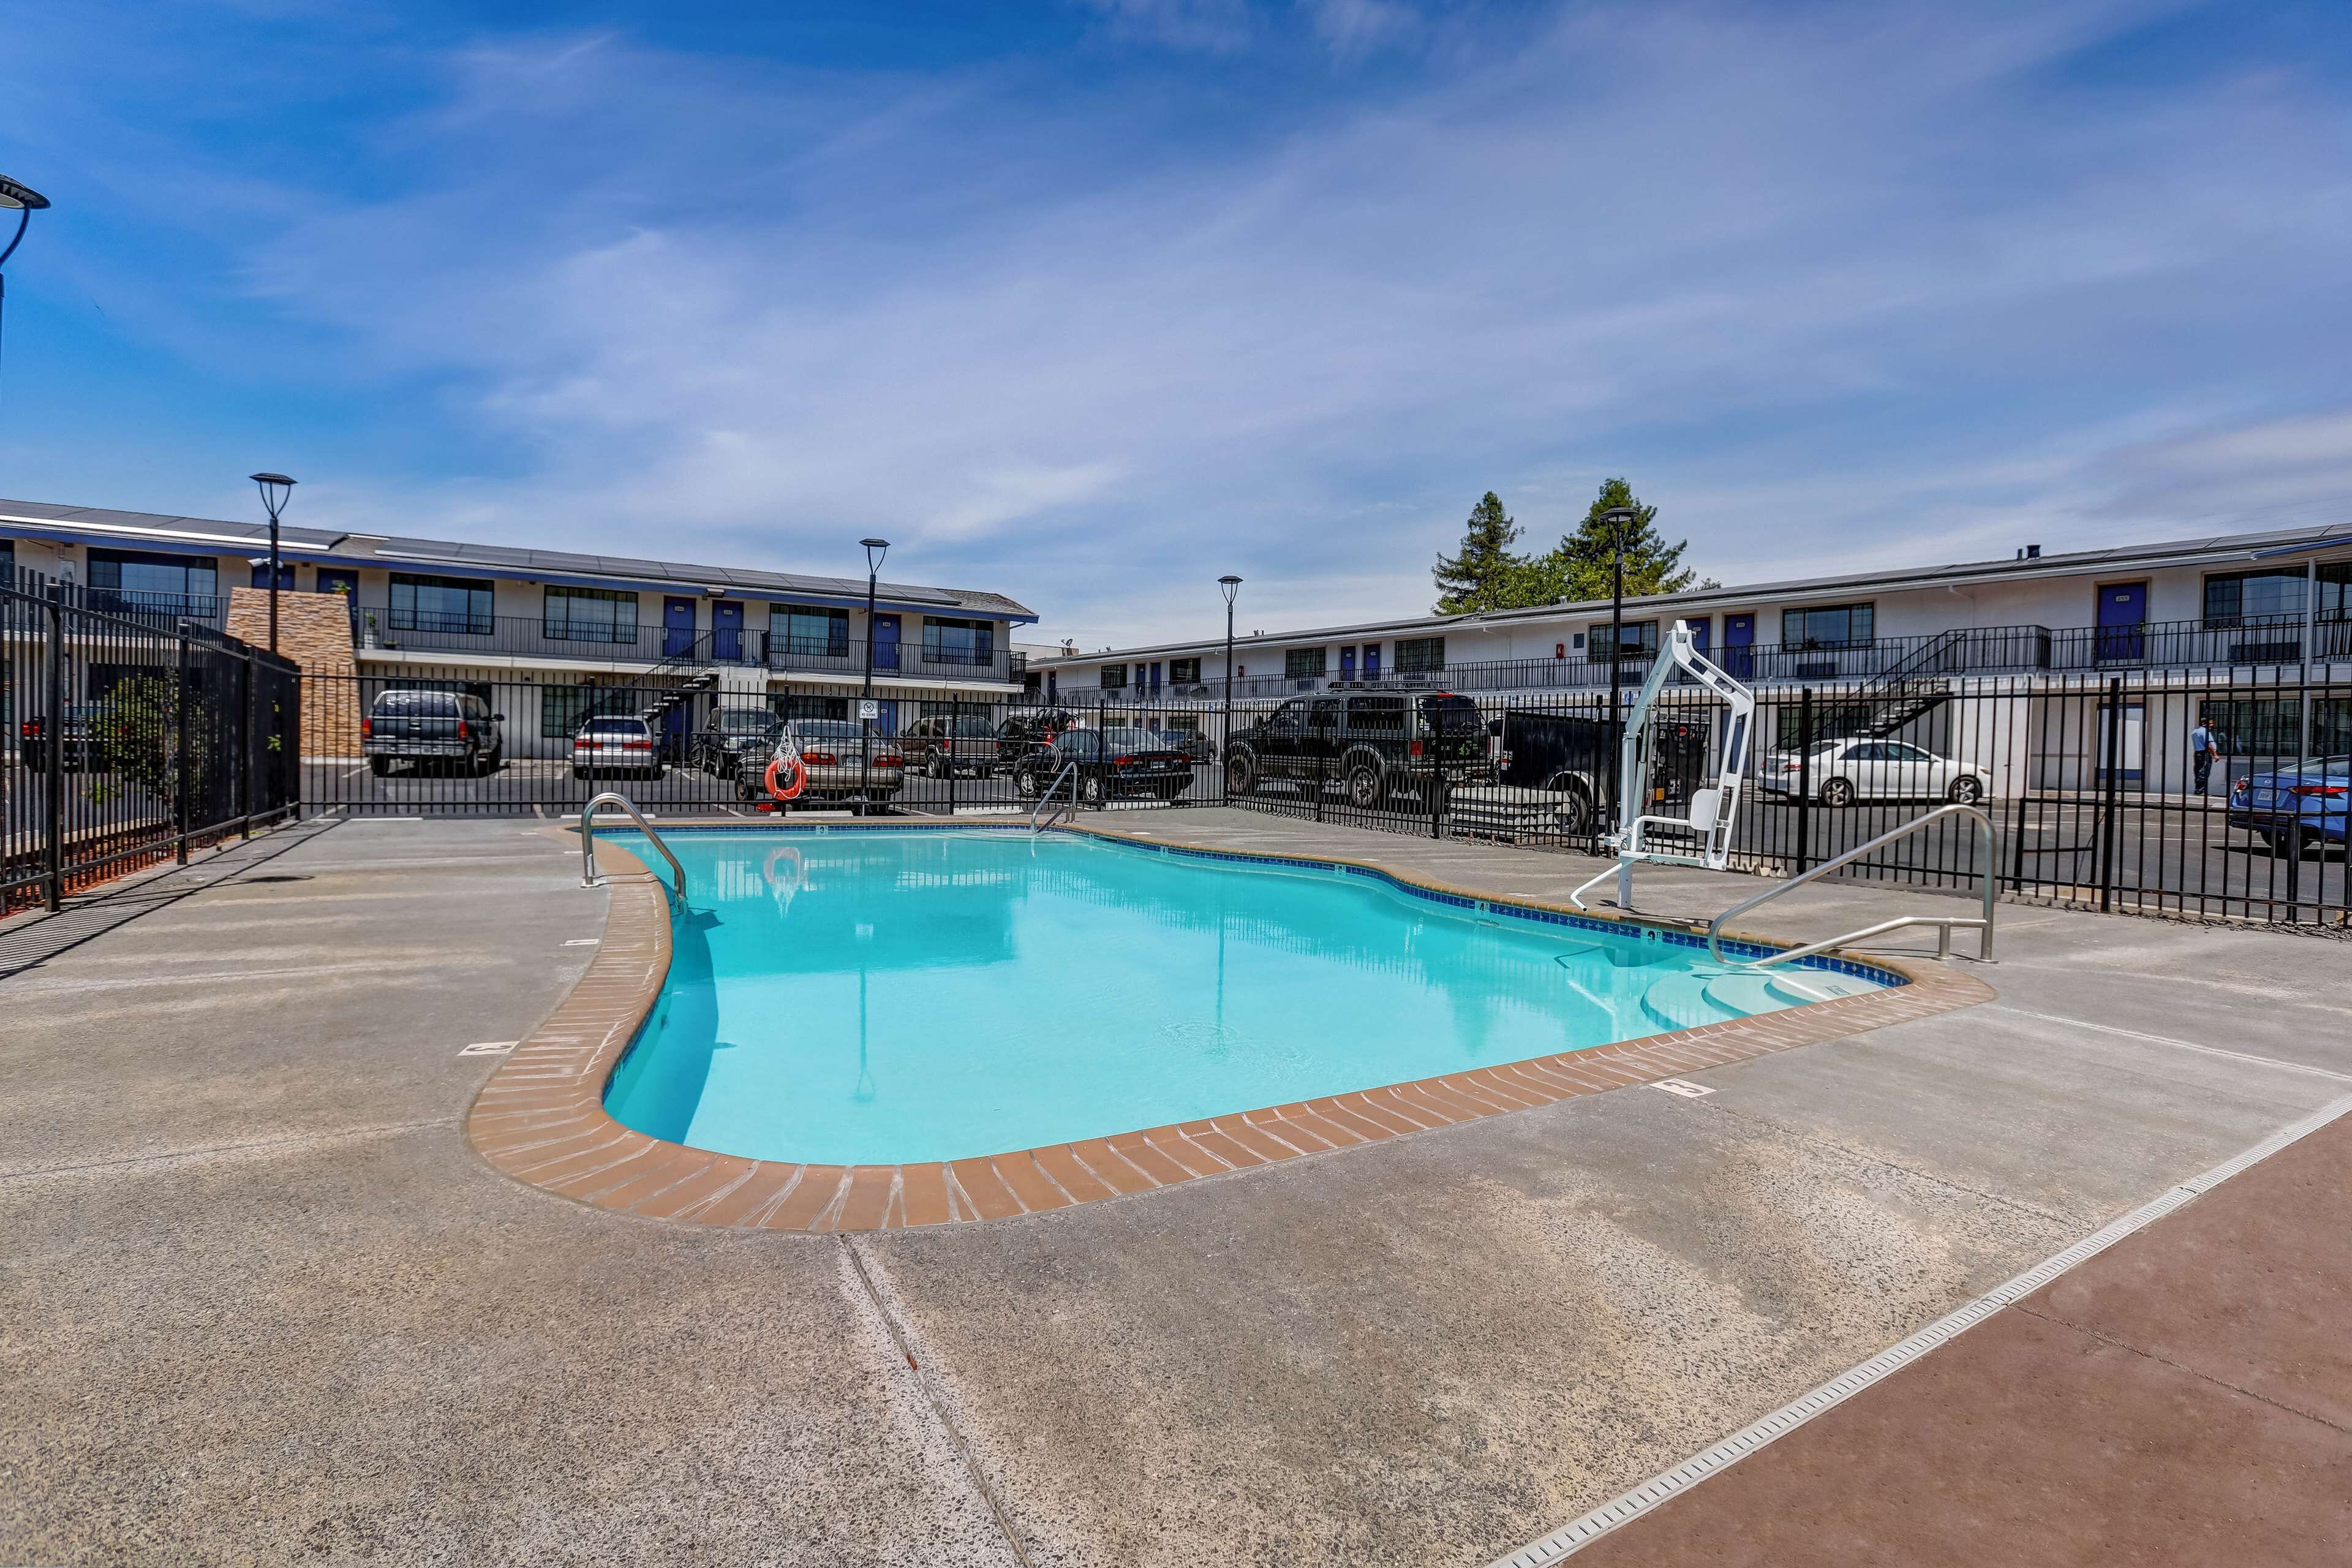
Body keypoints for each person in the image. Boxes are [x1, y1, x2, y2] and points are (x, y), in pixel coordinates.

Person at [2189, 715, 2220, 796]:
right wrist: (2215, 754)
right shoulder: (2205, 732)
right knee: (2204, 772)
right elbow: (2208, 744)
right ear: (2204, 723)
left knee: (2198, 771)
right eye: (2210, 724)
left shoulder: (2195, 731)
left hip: (2198, 753)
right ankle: (2200, 790)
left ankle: (2198, 789)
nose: (2212, 725)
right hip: (2204, 753)